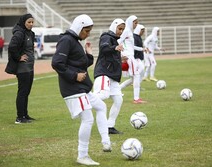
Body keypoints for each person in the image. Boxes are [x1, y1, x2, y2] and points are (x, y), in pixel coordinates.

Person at [51, 14, 111, 166]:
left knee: (101, 106)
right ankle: (82, 155)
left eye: (89, 30)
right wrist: (74, 76)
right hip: (73, 88)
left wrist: (89, 55)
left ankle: (106, 142)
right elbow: (57, 63)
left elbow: (80, 64)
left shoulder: (75, 41)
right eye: (86, 30)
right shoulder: (66, 40)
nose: (88, 33)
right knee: (88, 119)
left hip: (82, 88)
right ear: (78, 27)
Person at [93, 18, 125, 134]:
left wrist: (121, 57)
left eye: (122, 29)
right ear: (114, 26)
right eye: (119, 28)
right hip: (104, 73)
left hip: (113, 76)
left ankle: (109, 126)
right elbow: (104, 48)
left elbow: (111, 56)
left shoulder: (115, 40)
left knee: (118, 100)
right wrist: (115, 48)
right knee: (103, 95)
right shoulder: (106, 36)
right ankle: (85, 99)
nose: (121, 31)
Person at [5, 13, 36, 124]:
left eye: (32, 22)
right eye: (29, 22)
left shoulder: (31, 34)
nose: (31, 24)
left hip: (30, 67)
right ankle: (19, 118)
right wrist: (19, 57)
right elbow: (12, 47)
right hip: (23, 68)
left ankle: (25, 115)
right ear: (24, 22)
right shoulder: (19, 33)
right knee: (22, 92)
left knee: (26, 92)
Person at [118, 15, 147, 104]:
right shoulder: (126, 31)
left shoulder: (129, 31)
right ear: (130, 22)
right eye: (135, 23)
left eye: (137, 23)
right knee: (136, 76)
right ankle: (136, 99)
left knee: (134, 78)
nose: (136, 24)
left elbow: (131, 46)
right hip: (129, 57)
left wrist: (142, 49)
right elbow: (118, 41)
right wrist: (122, 54)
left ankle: (116, 90)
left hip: (131, 57)